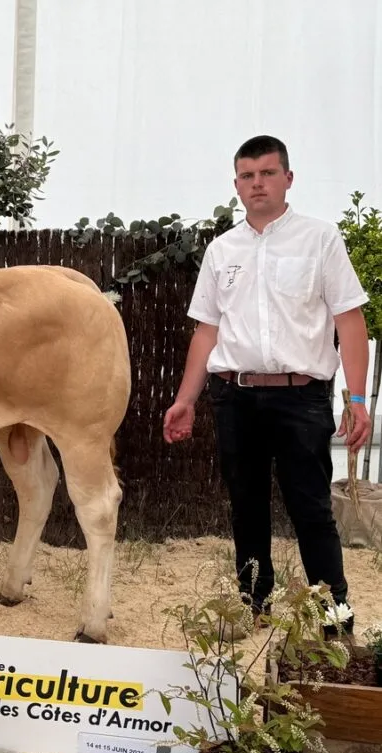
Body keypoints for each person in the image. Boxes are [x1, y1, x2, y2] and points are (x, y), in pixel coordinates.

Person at [163, 134, 370, 638]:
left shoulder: (319, 239)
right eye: (248, 176)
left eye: (268, 173)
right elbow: (207, 331)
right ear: (237, 184)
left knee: (311, 510)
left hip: (302, 398)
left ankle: (332, 617)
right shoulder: (221, 250)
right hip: (235, 397)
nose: (258, 183)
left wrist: (358, 398)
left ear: (288, 179)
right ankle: (253, 605)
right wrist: (186, 399)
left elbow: (349, 319)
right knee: (246, 508)